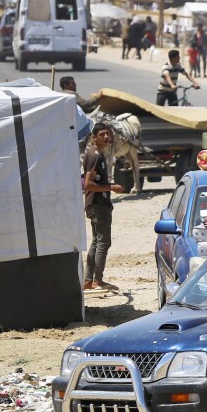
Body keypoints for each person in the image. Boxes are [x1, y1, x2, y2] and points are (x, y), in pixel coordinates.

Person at [82, 123, 125, 291]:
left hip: (96, 205)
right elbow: (88, 185)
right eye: (102, 134)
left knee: (96, 242)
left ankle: (88, 280)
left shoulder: (95, 153)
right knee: (103, 242)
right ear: (94, 137)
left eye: (107, 134)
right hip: (98, 205)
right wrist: (111, 187)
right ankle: (98, 281)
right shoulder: (95, 156)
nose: (106, 137)